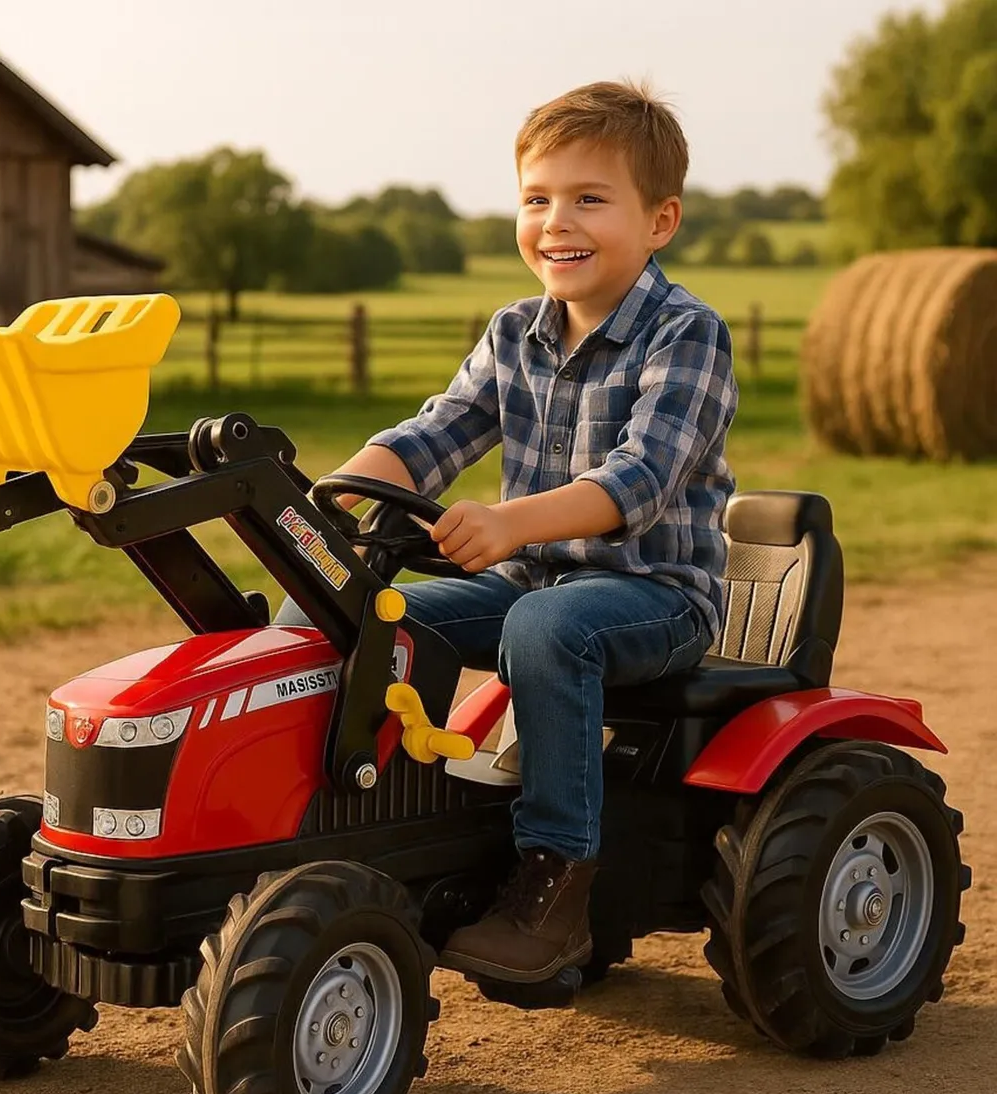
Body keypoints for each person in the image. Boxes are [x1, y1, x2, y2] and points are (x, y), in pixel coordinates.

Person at [282, 80, 738, 985]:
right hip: (533, 584)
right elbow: (434, 435)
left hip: (652, 598)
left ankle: (554, 880)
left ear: (660, 221)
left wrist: (506, 523)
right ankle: (376, 830)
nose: (556, 221)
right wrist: (329, 493)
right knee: (373, 615)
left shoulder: (687, 334)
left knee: (545, 629)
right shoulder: (513, 333)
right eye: (537, 199)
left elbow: (638, 481)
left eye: (589, 199)